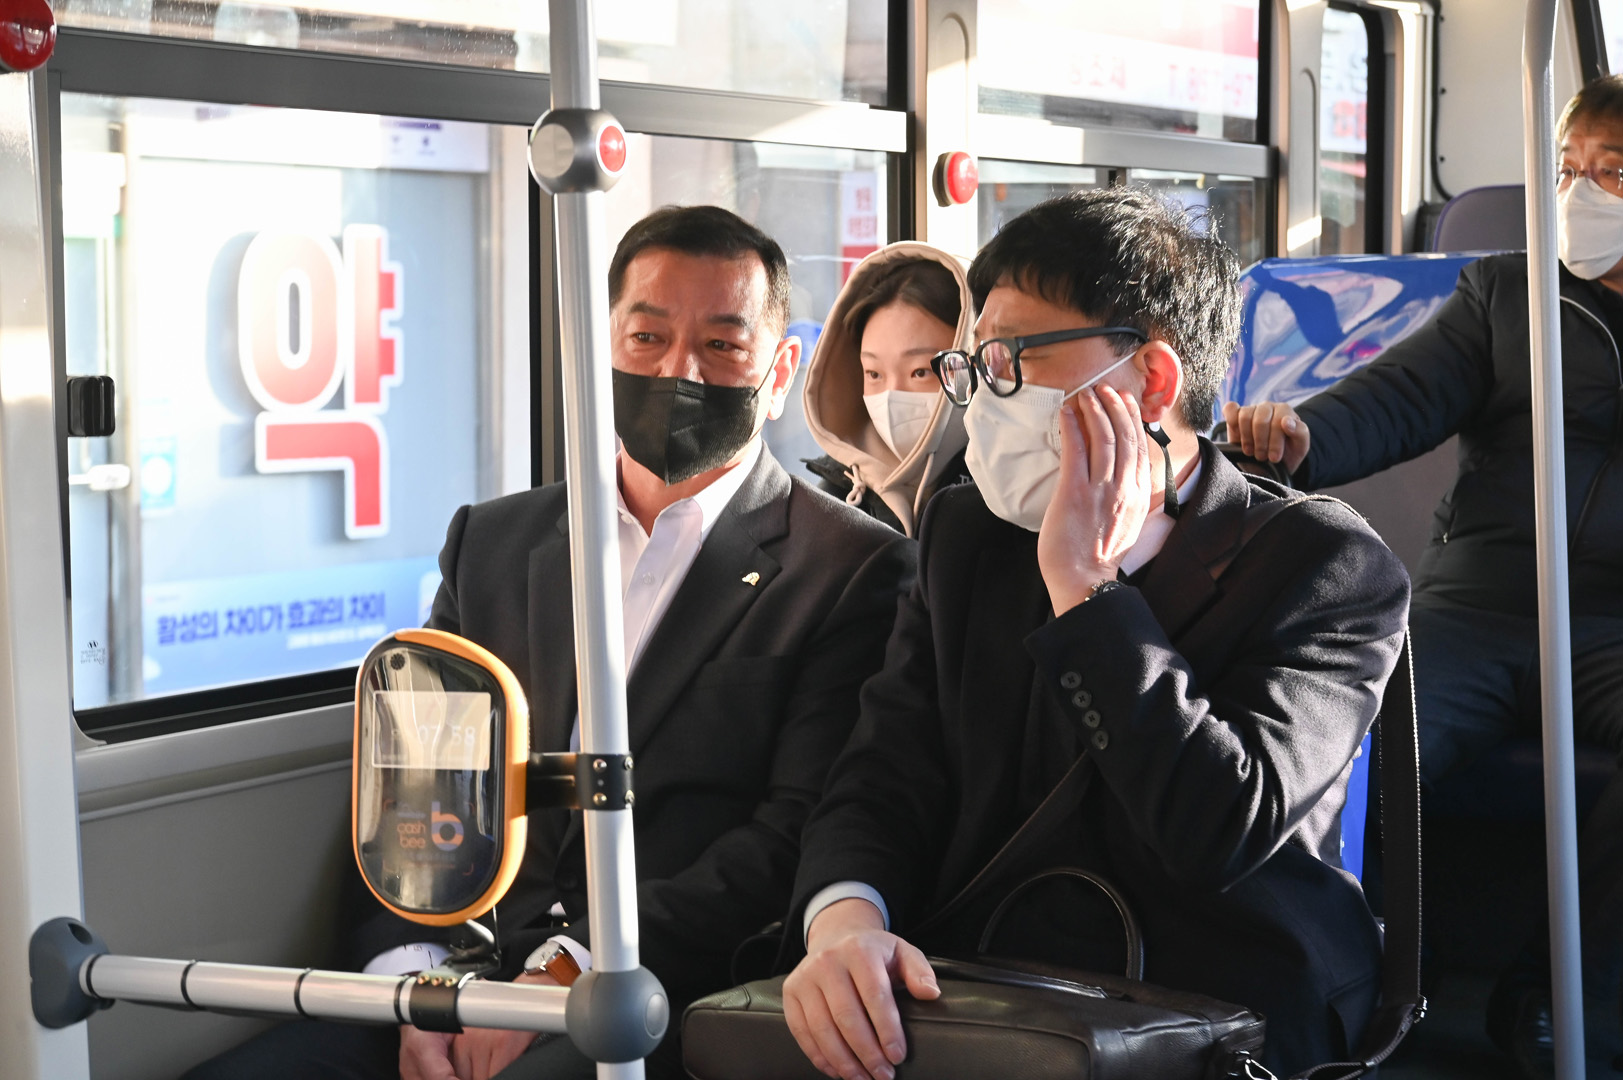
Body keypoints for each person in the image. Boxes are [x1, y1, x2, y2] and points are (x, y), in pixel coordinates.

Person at [184, 205, 916, 1080]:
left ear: (779, 368)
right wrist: (418, 983)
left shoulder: (848, 568)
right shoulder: (492, 543)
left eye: (722, 345)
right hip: (459, 969)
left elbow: (791, 833)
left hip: (657, 984)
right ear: (602, 348)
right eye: (647, 338)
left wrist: (568, 969)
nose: (678, 371)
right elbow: (416, 783)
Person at [777, 187, 1410, 1080]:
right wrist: (845, 921)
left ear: (1151, 379)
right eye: (976, 365)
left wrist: (1086, 588)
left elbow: (1219, 829)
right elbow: (885, 771)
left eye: (1015, 360)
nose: (986, 398)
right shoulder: (968, 533)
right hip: (984, 988)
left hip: (1215, 1010)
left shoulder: (1324, 566)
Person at [1223, 76, 1623, 1078]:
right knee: (1354, 752)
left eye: (1611, 174)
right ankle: (1375, 980)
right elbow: (1399, 397)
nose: (1580, 195)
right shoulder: (1509, 295)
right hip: (1480, 600)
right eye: (1566, 170)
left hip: (1614, 624)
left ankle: (1561, 1000)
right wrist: (1302, 436)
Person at [801, 244, 972, 535]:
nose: (891, 395)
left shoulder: (1006, 493)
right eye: (874, 373)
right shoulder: (833, 503)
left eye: (920, 372)